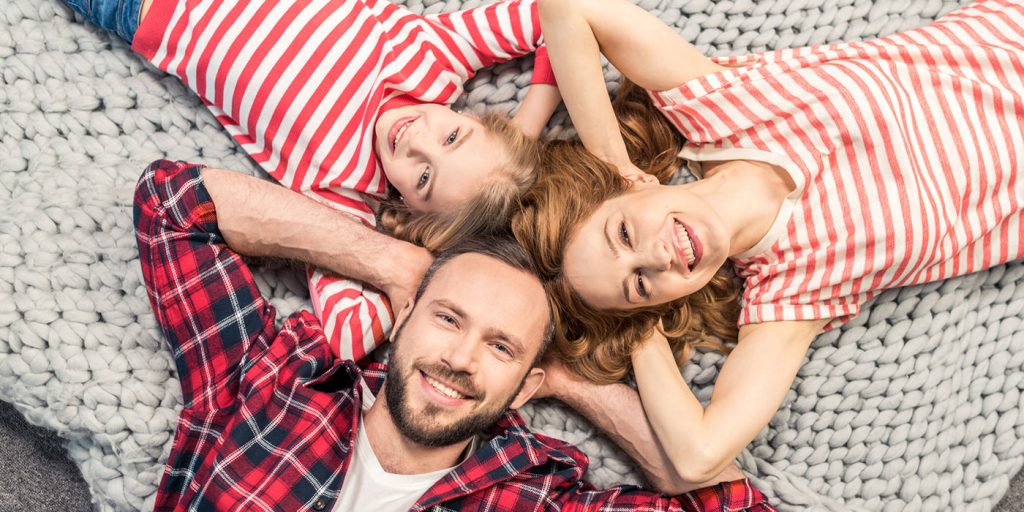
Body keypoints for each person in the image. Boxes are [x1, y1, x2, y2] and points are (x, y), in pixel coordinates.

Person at [513, 0, 1024, 485]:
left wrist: (614, 162)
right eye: (640, 284)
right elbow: (698, 457)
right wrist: (639, 325)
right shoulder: (792, 292)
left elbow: (569, 8)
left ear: (634, 185)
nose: (656, 256)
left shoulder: (719, 105)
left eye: (623, 233)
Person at [132, 158, 776, 511]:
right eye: (447, 318)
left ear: (526, 385)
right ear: (404, 315)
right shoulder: (273, 382)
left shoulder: (533, 499)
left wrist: (573, 382)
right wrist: (386, 261)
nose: (461, 359)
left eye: (501, 347)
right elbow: (175, 205)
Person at [64, 0, 562, 364]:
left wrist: (417, 274)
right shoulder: (434, 56)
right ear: (475, 117)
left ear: (411, 207)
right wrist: (526, 129)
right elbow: (552, 18)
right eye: (453, 135)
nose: (417, 142)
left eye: (425, 176)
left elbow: (347, 334)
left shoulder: (341, 194)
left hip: (150, 12)